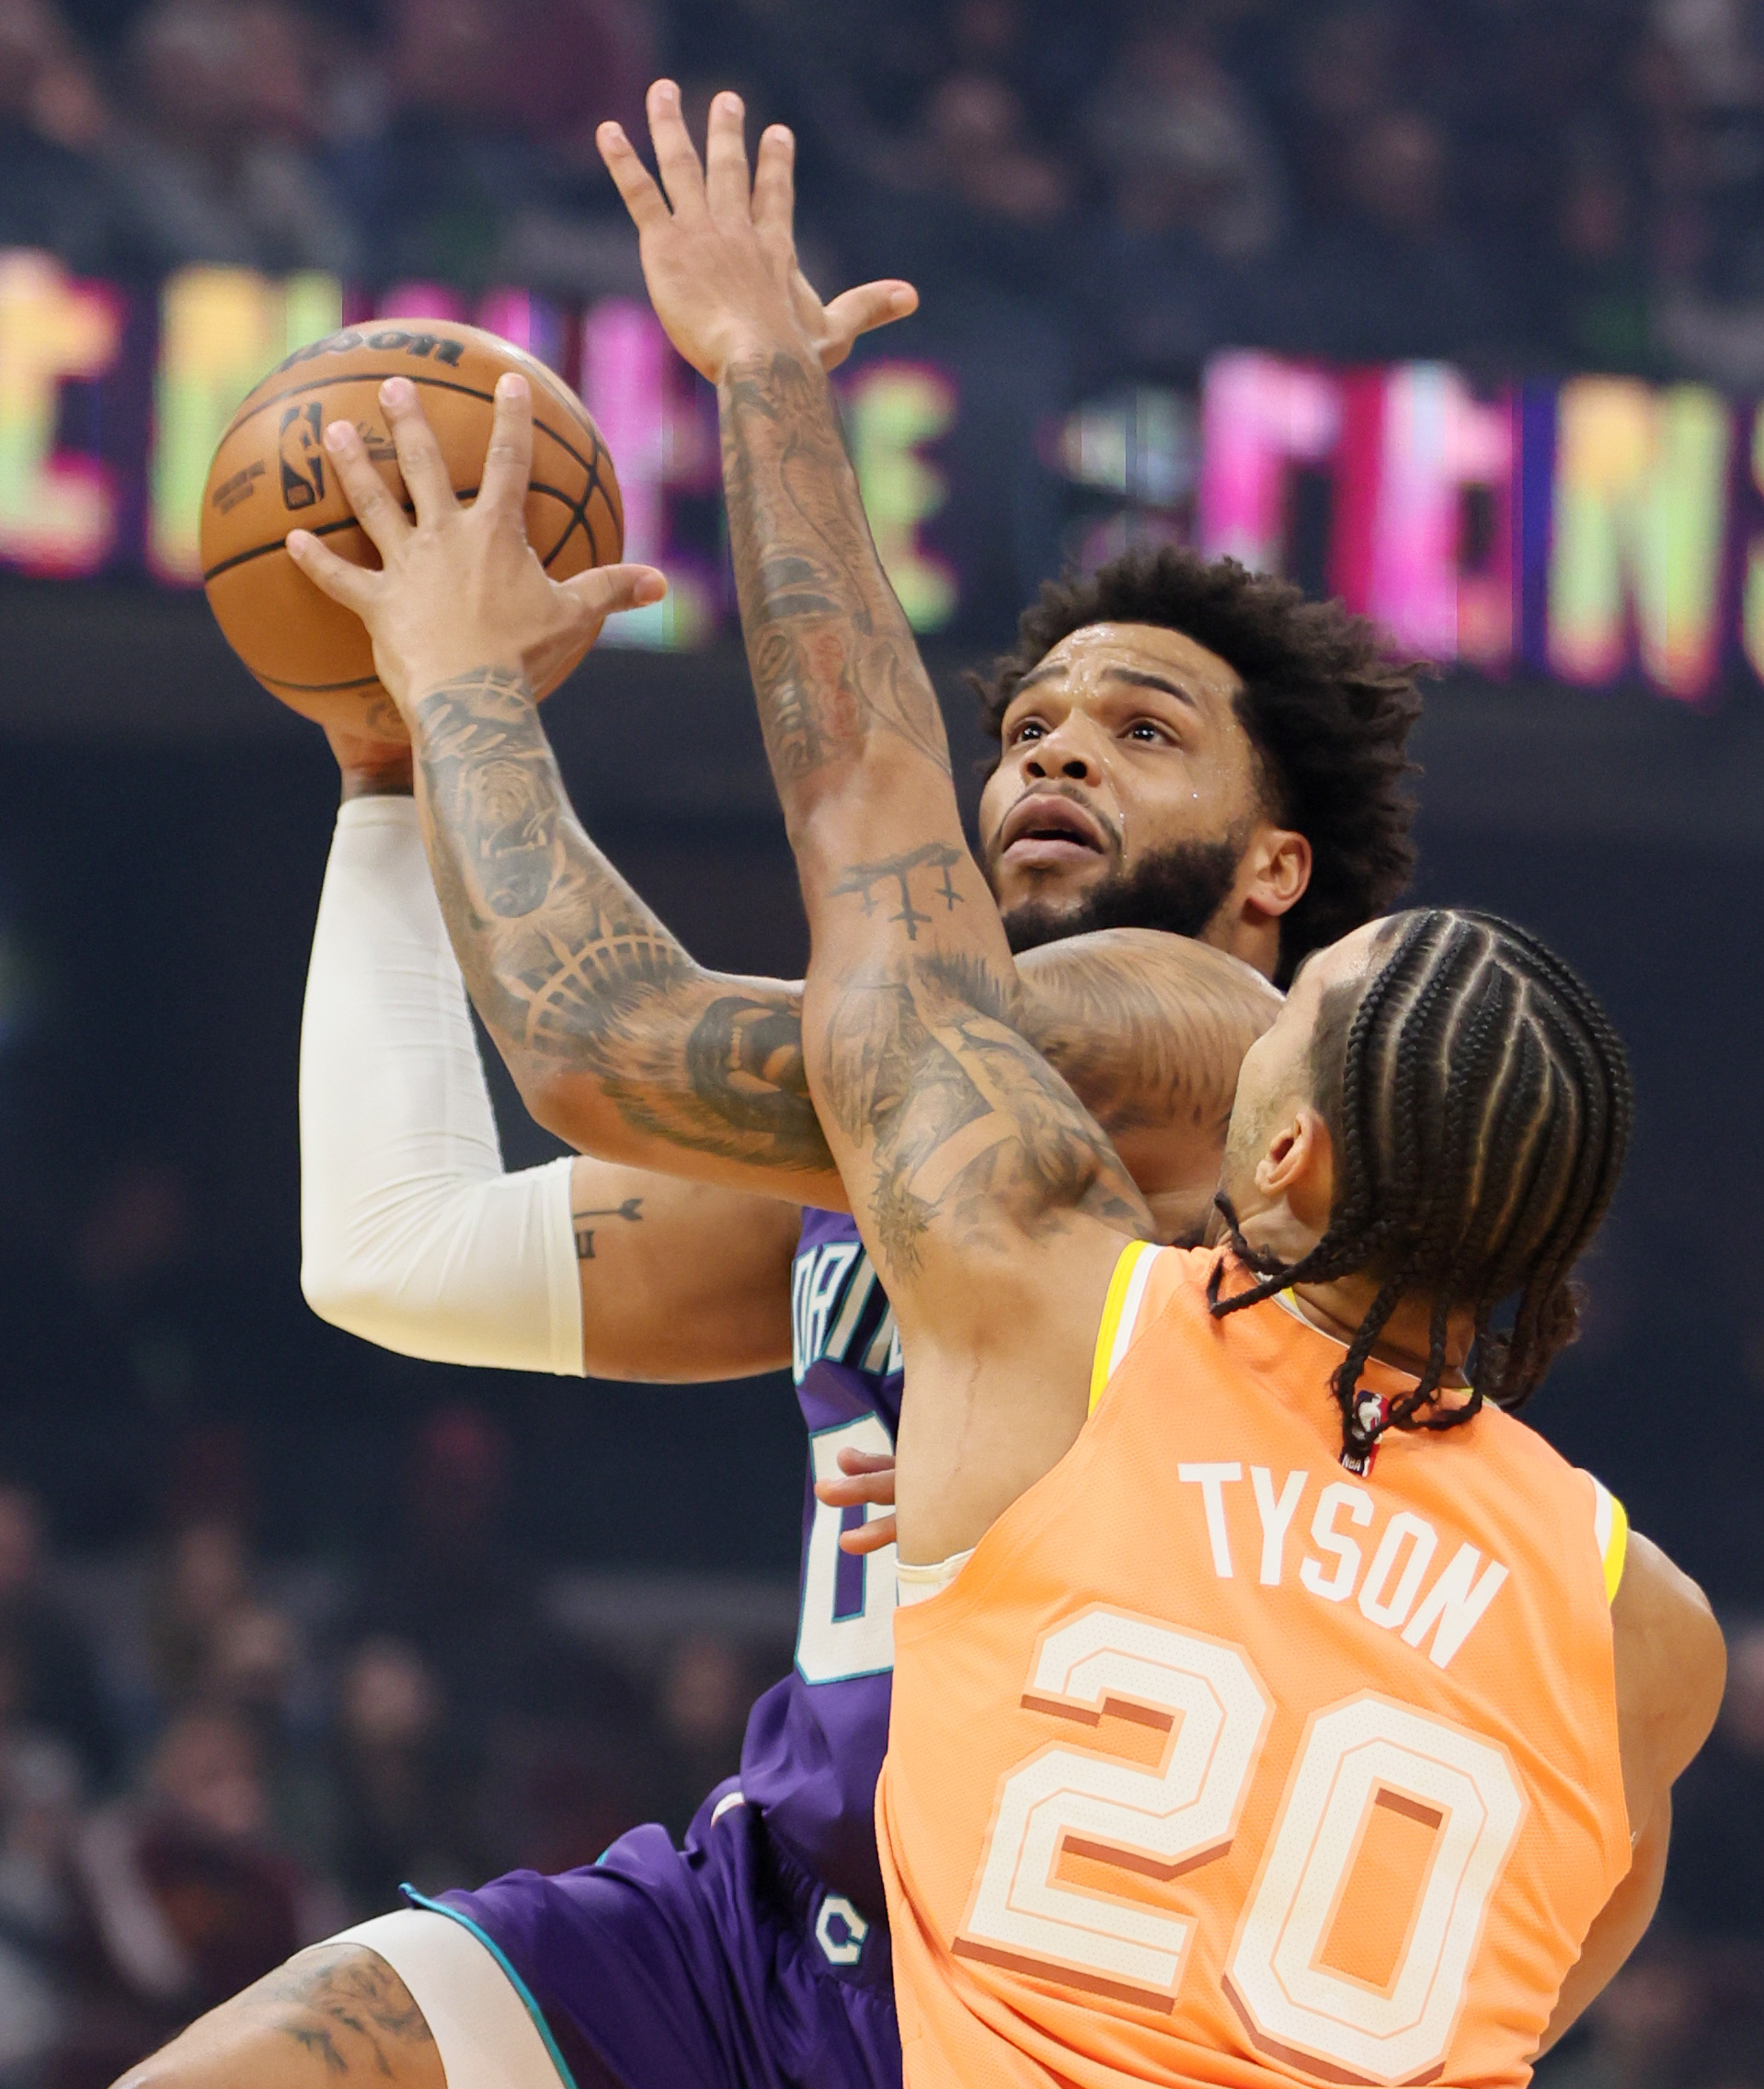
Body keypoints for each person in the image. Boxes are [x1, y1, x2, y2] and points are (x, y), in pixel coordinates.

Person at [120, 83, 1418, 2089]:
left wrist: (499, 651)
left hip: (1046, 1981)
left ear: (1271, 866)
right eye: (1030, 725)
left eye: (1140, 728)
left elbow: (602, 1045)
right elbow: (395, 1252)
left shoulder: (1206, 1049)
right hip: (756, 1920)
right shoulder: (899, 1150)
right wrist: (382, 778)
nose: (1050, 756)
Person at [584, 98, 1718, 2084]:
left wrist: (752, 390)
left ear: (1275, 1144)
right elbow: (1522, 1985)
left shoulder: (1061, 1308)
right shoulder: (1644, 1621)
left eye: (1265, 1017)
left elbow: (855, 841)